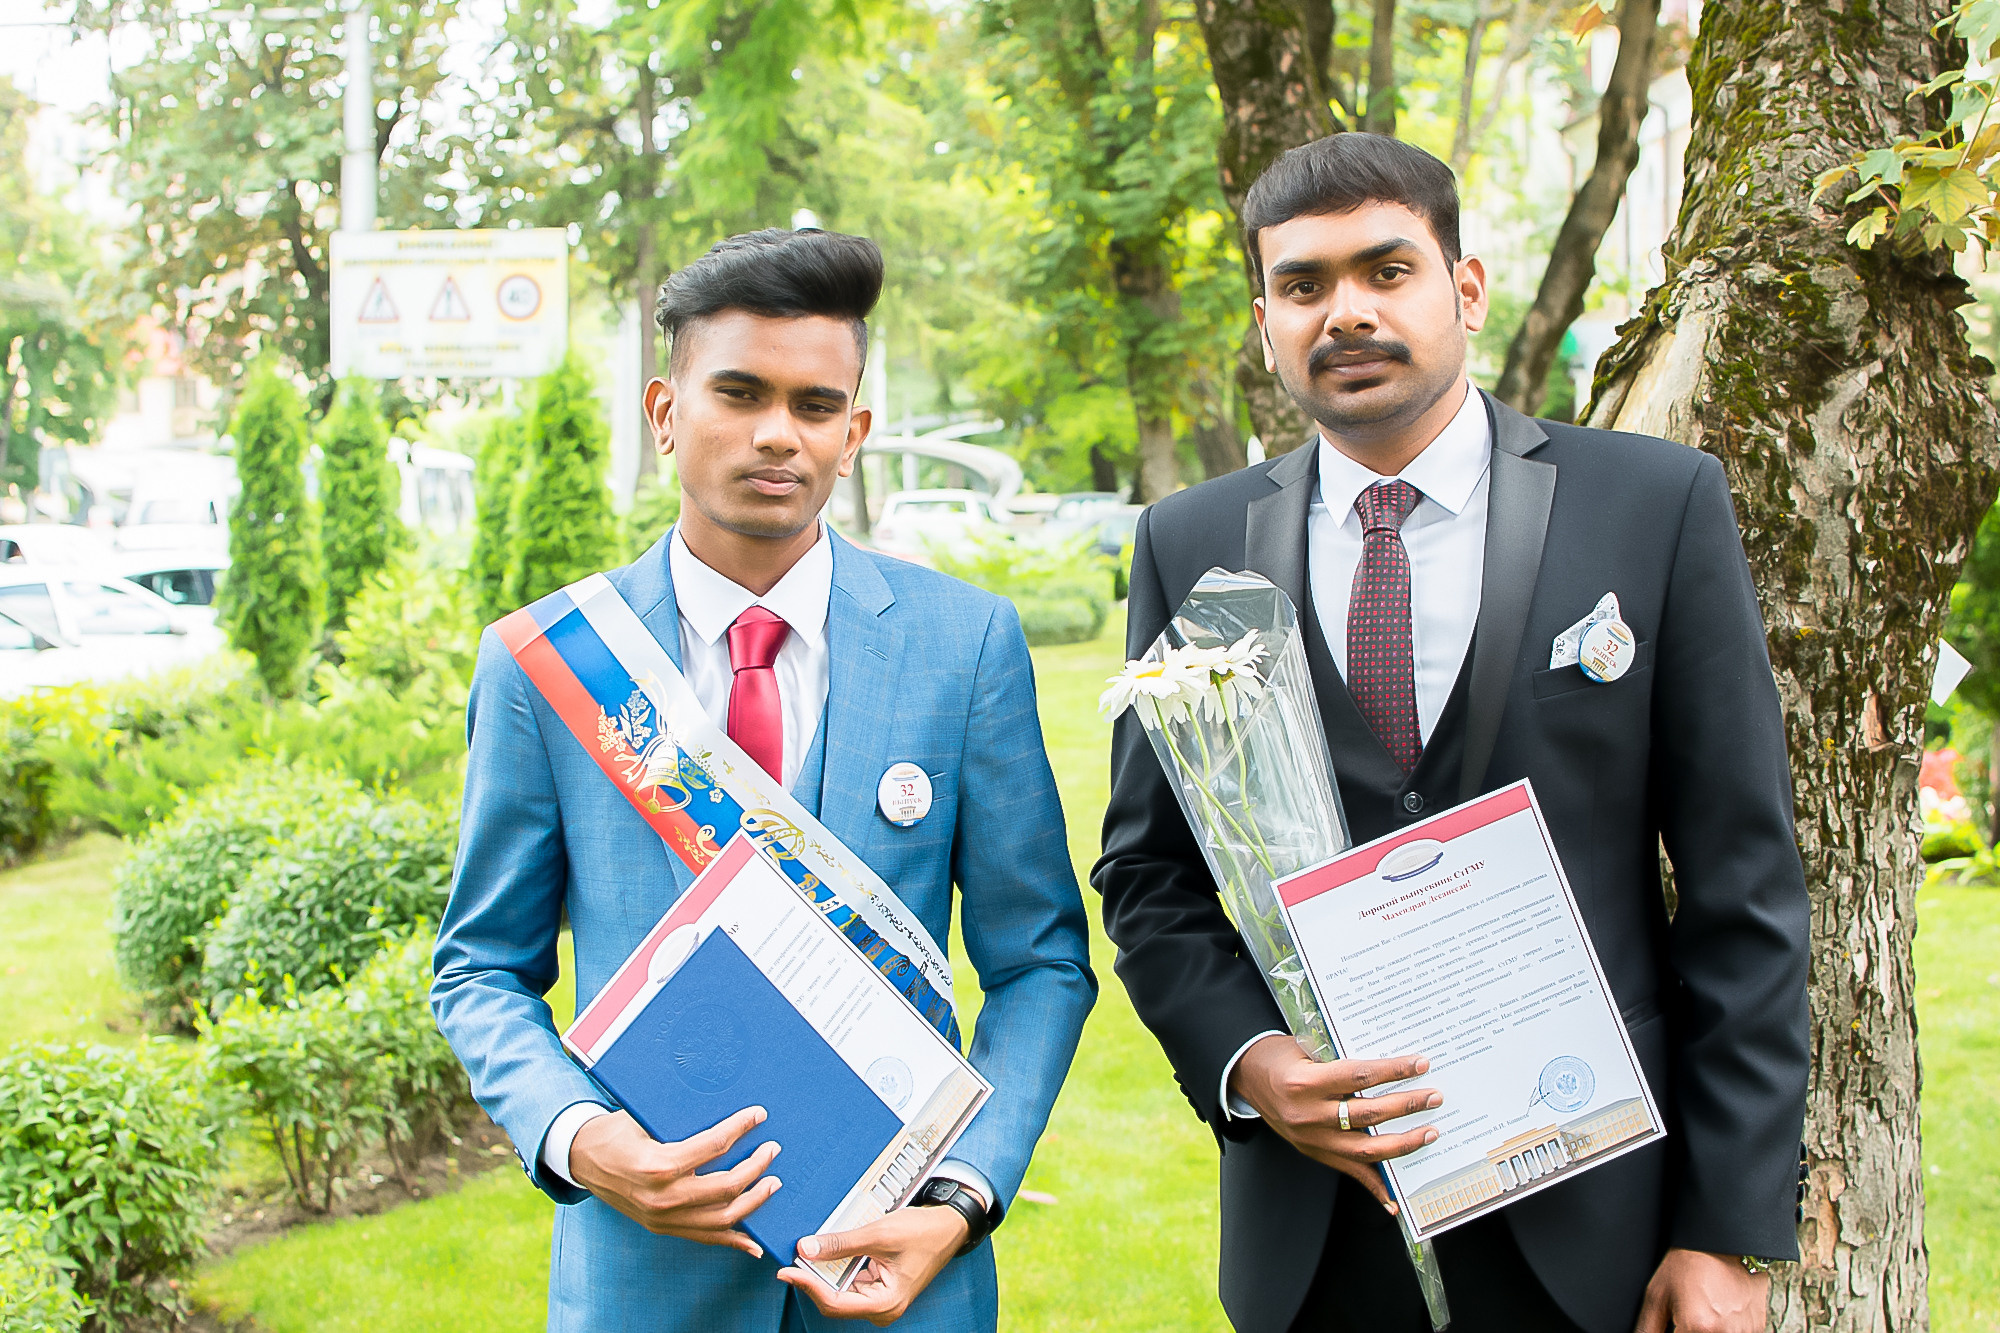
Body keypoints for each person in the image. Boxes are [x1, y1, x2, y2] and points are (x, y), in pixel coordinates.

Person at [1094, 133, 1810, 1333]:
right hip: (1320, 1228)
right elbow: (1148, 874)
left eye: (1386, 270)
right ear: (1264, 324)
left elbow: (1743, 887)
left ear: (1464, 289)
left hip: (1597, 1218)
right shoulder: (1189, 542)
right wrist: (1253, 1066)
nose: (1344, 313)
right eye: (1301, 285)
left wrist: (1724, 1228)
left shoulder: (1653, 505)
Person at [433, 227, 1096, 1332]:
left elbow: (1039, 964)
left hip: (906, 1275)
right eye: (738, 393)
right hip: (645, 1281)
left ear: (854, 435)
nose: (778, 432)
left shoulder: (964, 645)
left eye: (815, 405)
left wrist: (959, 1198)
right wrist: (584, 1142)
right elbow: (479, 969)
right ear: (664, 412)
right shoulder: (547, 665)